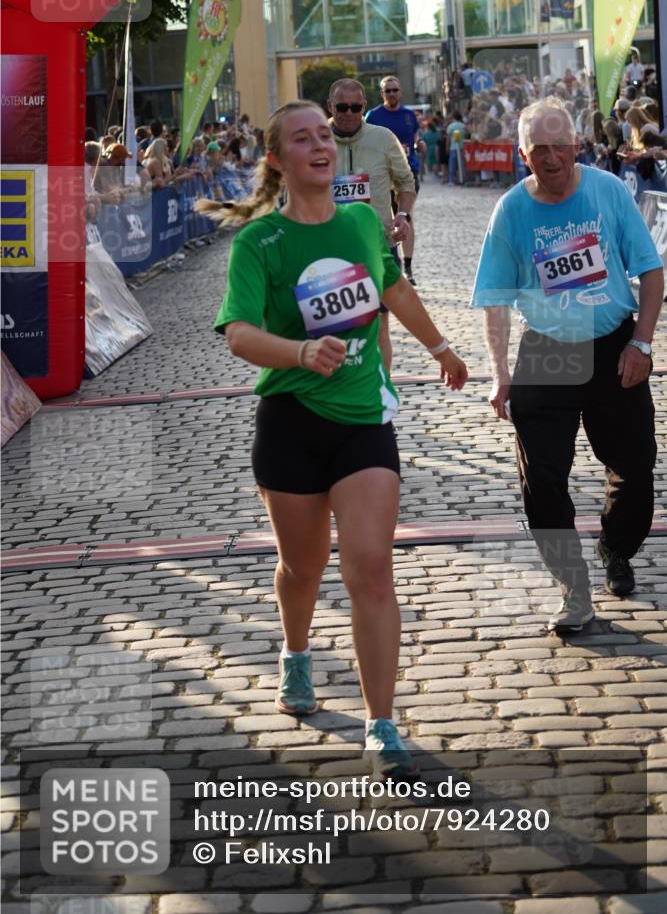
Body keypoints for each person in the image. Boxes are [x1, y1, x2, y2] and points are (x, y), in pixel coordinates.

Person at [197, 99, 468, 776]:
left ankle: (381, 723)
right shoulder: (259, 243)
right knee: (302, 569)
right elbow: (237, 333)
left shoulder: (359, 222)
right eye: (303, 137)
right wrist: (297, 352)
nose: (320, 144)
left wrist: (439, 347)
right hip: (289, 424)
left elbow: (393, 288)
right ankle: (295, 653)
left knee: (370, 566)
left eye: (325, 134)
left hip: (361, 421)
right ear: (276, 158)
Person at [471, 97, 663, 634]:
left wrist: (642, 345)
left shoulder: (608, 191)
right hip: (548, 350)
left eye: (560, 146)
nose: (551, 158)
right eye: (539, 150)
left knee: (635, 469)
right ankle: (573, 589)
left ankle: (616, 546)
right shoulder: (511, 209)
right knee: (542, 482)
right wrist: (500, 372)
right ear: (522, 154)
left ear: (576, 147)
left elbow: (650, 272)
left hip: (612, 346)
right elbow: (495, 296)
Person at [327, 77, 416, 373]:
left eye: (355, 107)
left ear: (364, 106)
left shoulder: (383, 138)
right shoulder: (316, 140)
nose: (349, 113)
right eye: (342, 107)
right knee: (335, 332)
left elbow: (406, 183)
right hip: (329, 249)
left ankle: (381, 393)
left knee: (379, 328)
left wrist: (402, 215)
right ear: (331, 106)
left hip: (377, 247)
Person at [365, 76, 424, 285]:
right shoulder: (372, 116)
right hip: (381, 174)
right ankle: (387, 259)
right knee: (383, 217)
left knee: (405, 217)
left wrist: (419, 144)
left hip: (406, 172)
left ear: (400, 92)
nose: (391, 94)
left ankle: (407, 267)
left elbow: (415, 137)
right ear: (382, 94)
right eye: (387, 91)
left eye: (394, 90)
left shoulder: (408, 115)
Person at [445, 111, 466, 187]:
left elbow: (448, 138)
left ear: (453, 118)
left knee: (452, 165)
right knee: (462, 164)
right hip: (462, 147)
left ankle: (452, 180)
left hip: (453, 147)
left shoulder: (451, 126)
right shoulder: (463, 126)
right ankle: (463, 178)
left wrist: (447, 147)